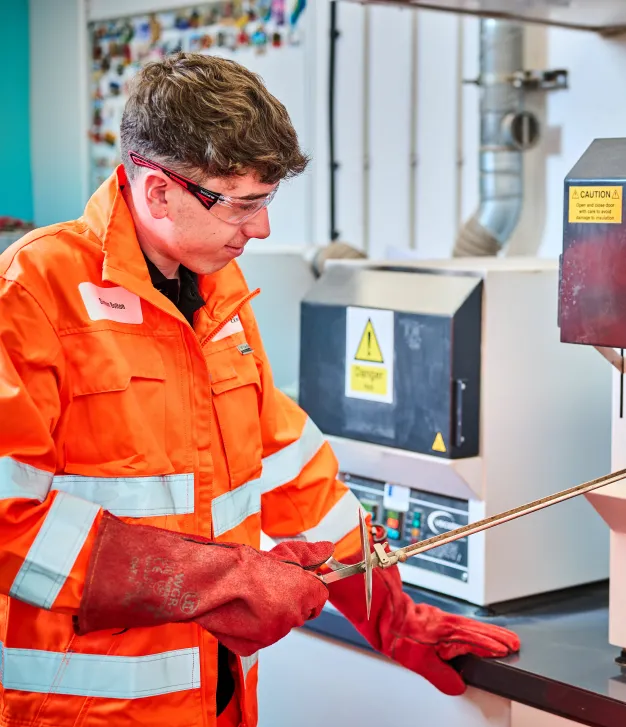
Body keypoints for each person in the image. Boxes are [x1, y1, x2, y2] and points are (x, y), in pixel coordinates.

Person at [0, 53, 518, 727]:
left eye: (265, 201)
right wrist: (225, 580)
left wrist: (395, 616)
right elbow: (10, 519)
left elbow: (294, 475)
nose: (261, 228)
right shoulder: (33, 292)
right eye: (241, 204)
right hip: (87, 710)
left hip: (222, 702)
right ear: (158, 192)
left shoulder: (218, 298)